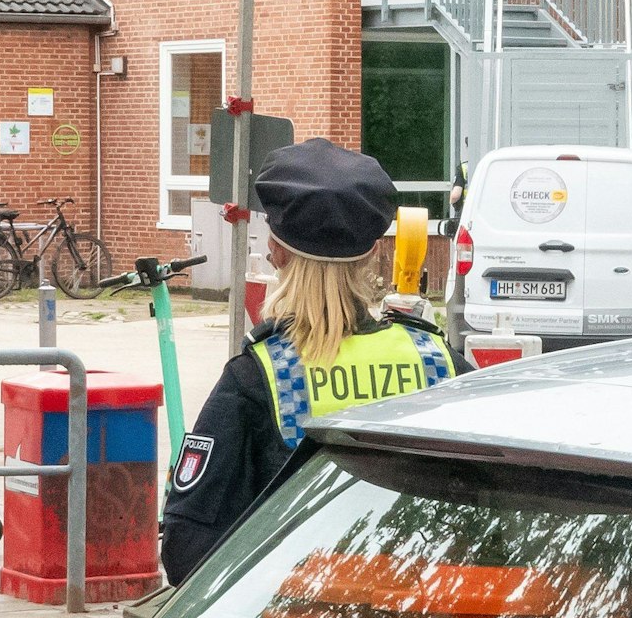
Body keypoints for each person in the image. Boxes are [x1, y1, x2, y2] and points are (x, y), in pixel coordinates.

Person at [161, 138, 463, 583]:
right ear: (375, 251)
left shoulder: (257, 376)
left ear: (276, 252)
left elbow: (188, 549)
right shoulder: (439, 362)